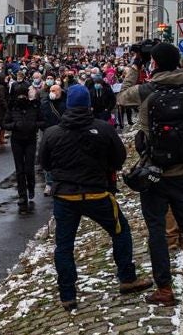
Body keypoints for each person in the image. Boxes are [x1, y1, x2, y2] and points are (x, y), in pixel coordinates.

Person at [117, 42, 183, 308]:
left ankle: (164, 289)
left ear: (154, 64)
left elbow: (122, 95)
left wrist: (135, 66)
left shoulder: (148, 90)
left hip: (155, 174)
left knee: (157, 231)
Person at [40, 84, 153, 311]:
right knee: (121, 231)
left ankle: (68, 295)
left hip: (65, 197)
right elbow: (119, 157)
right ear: (88, 104)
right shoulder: (103, 129)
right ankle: (127, 277)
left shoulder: (53, 133)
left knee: (63, 246)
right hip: (97, 193)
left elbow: (44, 163)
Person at [3, 81, 45, 213]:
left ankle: (31, 187)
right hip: (17, 141)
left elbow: (43, 121)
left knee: (29, 168)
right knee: (19, 169)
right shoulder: (12, 108)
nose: (21, 98)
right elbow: (5, 124)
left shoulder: (34, 106)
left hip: (30, 140)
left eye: (23, 95)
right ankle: (22, 194)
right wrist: (14, 125)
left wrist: (34, 125)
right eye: (19, 96)